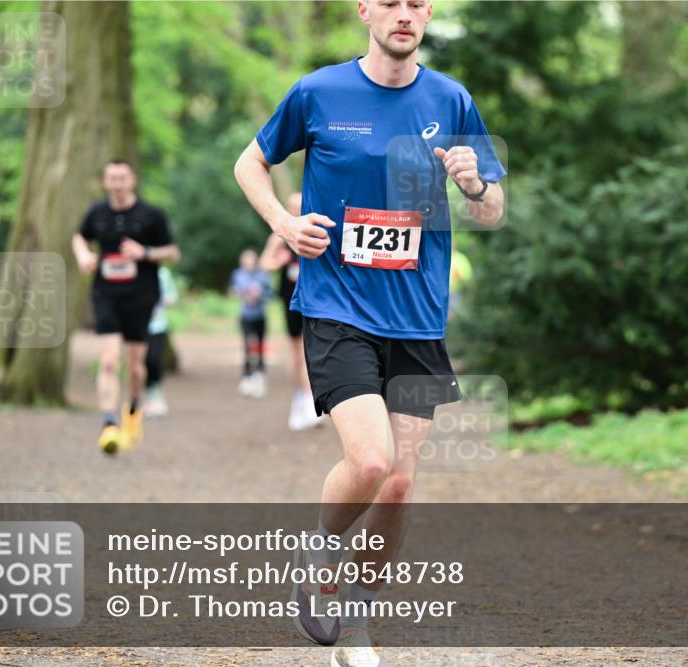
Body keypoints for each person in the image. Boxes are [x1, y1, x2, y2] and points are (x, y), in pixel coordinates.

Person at [234, 0, 505, 663]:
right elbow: (250, 162)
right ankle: (318, 552)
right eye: (390, 2)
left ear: (428, 12)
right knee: (371, 460)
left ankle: (353, 625)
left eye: (415, 3)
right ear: (365, 11)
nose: (403, 14)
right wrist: (282, 223)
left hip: (417, 321)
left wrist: (474, 185)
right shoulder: (319, 92)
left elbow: (494, 210)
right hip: (338, 310)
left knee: (400, 484)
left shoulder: (453, 99)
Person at [72, 159, 180, 454]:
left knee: (135, 367)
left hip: (141, 297)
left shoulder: (151, 215)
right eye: (112, 179)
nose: (117, 184)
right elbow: (80, 237)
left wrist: (143, 252)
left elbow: (172, 252)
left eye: (122, 178)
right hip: (106, 295)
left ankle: (133, 407)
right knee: (108, 361)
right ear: (105, 182)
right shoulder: (97, 213)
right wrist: (83, 255)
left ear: (132, 180)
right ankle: (109, 424)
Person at [259, 192, 324, 431]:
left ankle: (312, 401)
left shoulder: (315, 228)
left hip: (315, 298)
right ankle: (300, 400)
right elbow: (263, 263)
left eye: (300, 205)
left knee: (314, 349)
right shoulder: (281, 236)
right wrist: (278, 261)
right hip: (290, 298)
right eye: (293, 207)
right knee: (296, 352)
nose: (297, 210)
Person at [231, 249, 271, 398]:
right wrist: (244, 294)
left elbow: (269, 294)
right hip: (245, 316)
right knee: (247, 346)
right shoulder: (238, 274)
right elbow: (235, 291)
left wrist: (259, 294)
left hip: (260, 316)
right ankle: (246, 376)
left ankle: (260, 375)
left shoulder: (262, 275)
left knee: (260, 346)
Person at [143, 265, 178, 418]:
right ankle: (146, 398)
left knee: (154, 360)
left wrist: (162, 300)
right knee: (143, 362)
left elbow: (172, 297)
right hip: (139, 327)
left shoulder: (163, 273)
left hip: (158, 326)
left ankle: (156, 395)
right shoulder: (137, 272)